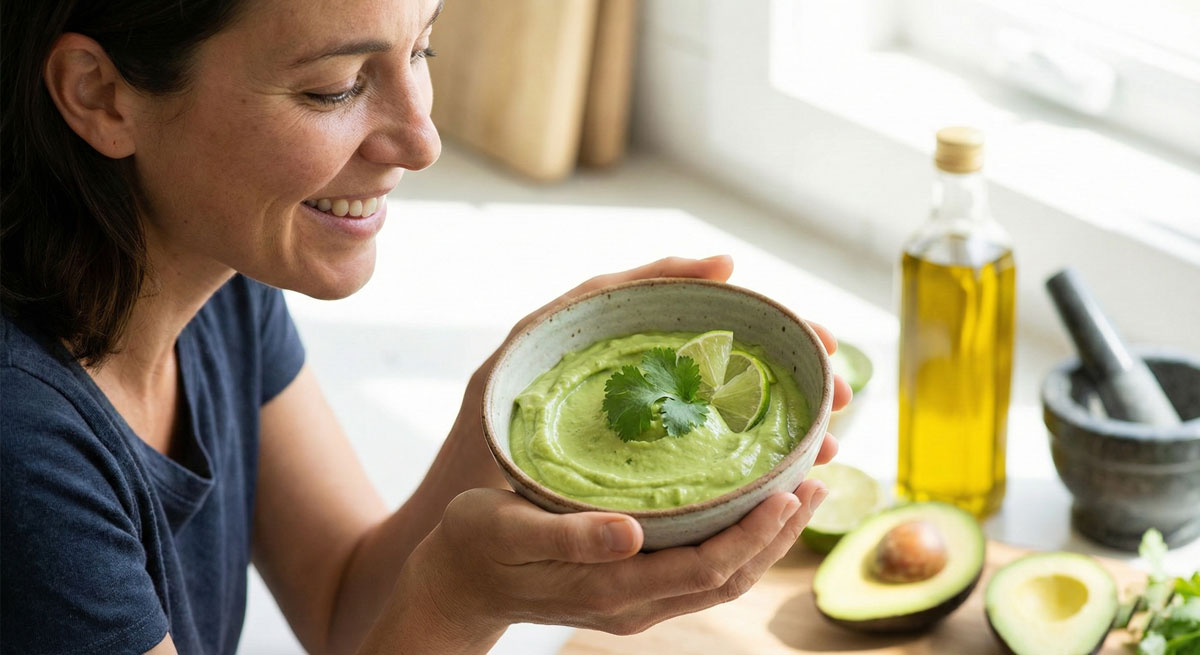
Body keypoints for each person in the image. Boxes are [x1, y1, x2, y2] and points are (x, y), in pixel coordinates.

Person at [0, 0, 851, 653]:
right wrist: (458, 602)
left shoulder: (211, 268)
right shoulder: (24, 453)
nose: (422, 140)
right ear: (100, 95)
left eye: (422, 49)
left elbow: (343, 603)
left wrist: (499, 404)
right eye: (334, 87)